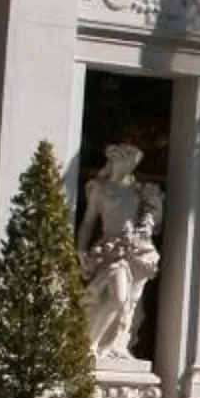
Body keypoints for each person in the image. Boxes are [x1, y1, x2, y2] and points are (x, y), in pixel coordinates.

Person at [78, 144, 160, 360]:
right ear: (116, 162)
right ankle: (90, 344)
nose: (131, 167)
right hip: (111, 252)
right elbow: (88, 223)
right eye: (129, 162)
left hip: (134, 252)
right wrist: (80, 250)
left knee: (131, 306)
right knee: (119, 299)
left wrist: (152, 208)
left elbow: (152, 221)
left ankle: (113, 345)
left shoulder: (138, 191)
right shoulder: (100, 189)